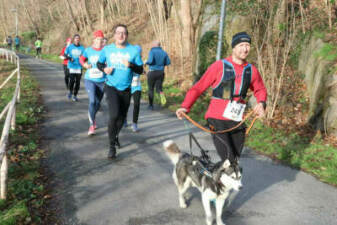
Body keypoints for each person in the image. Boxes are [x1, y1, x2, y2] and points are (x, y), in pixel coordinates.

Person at [176, 32, 267, 164]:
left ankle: (218, 181)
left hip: (237, 120)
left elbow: (260, 89)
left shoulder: (251, 70)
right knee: (228, 160)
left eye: (247, 45)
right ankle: (219, 181)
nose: (245, 49)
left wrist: (261, 103)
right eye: (241, 45)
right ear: (234, 47)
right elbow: (198, 87)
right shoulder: (219, 66)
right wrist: (185, 106)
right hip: (217, 119)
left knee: (234, 161)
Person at [97, 24, 143, 159]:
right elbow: (99, 64)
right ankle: (111, 147)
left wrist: (131, 65)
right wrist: (104, 69)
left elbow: (140, 70)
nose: (121, 35)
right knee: (114, 114)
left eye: (123, 33)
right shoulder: (107, 49)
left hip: (126, 88)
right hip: (111, 86)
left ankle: (115, 135)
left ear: (127, 35)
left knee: (122, 118)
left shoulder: (133, 51)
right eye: (118, 33)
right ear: (114, 35)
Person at [80, 30, 106, 136]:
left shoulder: (105, 51)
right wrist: (85, 65)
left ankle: (93, 119)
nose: (100, 41)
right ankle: (91, 125)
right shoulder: (88, 50)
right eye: (98, 39)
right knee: (92, 101)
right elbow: (81, 59)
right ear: (94, 39)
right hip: (90, 80)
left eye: (101, 39)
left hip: (102, 81)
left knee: (98, 103)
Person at [145, 40, 171, 110]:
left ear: (154, 45)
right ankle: (162, 96)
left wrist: (145, 62)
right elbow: (168, 62)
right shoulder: (164, 52)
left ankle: (150, 105)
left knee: (151, 89)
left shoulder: (152, 51)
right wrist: (161, 64)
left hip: (152, 72)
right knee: (159, 88)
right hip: (161, 72)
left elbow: (150, 61)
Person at [125, 45, 143, 132]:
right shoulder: (128, 61)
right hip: (127, 86)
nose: (139, 54)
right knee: (126, 104)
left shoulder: (140, 62)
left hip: (137, 86)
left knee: (137, 105)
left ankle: (134, 123)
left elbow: (140, 70)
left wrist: (143, 71)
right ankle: (124, 119)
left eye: (140, 53)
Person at [64, 34, 85, 102]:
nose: (77, 39)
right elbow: (65, 55)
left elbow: (85, 57)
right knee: (72, 81)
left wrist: (82, 59)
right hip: (72, 66)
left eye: (78, 38)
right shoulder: (70, 47)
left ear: (79, 39)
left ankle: (75, 95)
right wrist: (70, 58)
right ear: (74, 39)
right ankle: (70, 91)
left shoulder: (82, 48)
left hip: (79, 67)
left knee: (78, 82)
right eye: (76, 38)